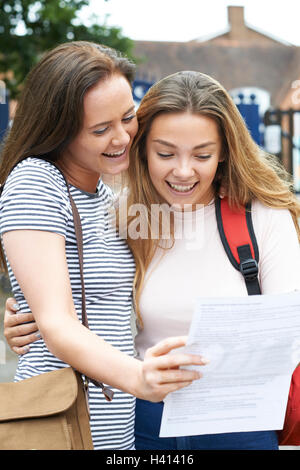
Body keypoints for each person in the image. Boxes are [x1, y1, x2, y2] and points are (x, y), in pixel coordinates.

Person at [4, 71, 300, 450]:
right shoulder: (126, 215)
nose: (182, 170)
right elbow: (87, 290)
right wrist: (27, 315)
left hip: (237, 420)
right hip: (144, 419)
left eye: (202, 154)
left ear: (225, 150)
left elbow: (288, 330)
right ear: (142, 148)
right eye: (165, 153)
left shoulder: (262, 217)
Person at [0, 45, 206, 451]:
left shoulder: (107, 198)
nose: (122, 137)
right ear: (58, 128)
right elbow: (57, 325)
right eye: (100, 130)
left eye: (128, 118)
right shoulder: (36, 183)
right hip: (59, 424)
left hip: (115, 427)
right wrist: (139, 378)